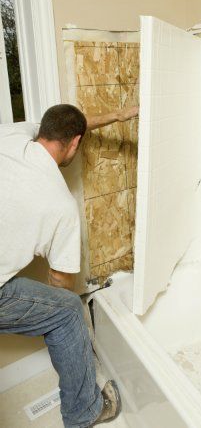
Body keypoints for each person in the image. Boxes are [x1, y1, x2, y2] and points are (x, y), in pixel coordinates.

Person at [0, 103, 139, 427]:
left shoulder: (10, 134)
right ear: (76, 143)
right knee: (66, 310)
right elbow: (60, 283)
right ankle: (83, 413)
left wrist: (116, 115)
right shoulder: (61, 205)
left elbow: (70, 125)